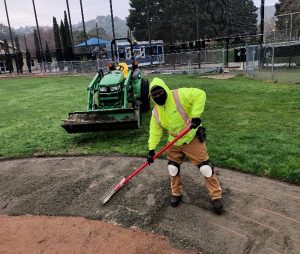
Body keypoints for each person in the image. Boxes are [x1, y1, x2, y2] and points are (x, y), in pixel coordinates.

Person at [146, 77, 223, 214]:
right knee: (172, 168)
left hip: (191, 136)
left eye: (160, 92)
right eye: (155, 95)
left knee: (205, 168)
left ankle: (216, 196)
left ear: (165, 89)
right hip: (174, 141)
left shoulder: (179, 95)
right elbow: (155, 131)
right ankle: (176, 193)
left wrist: (196, 115)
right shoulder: (156, 112)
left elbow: (200, 94)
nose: (158, 96)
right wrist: (151, 149)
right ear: (152, 97)